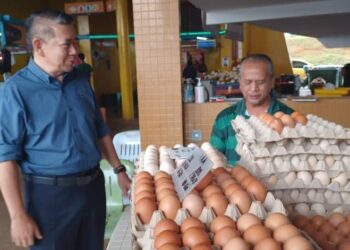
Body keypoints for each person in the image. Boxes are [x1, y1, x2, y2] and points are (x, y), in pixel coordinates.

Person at [0, 10, 131, 250]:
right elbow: (5, 157)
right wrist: (17, 215)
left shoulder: (80, 77)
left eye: (76, 42)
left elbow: (99, 128)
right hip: (49, 196)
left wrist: (119, 170)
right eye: (67, 44)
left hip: (93, 189)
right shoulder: (15, 91)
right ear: (39, 46)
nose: (75, 52)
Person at [210, 54, 294, 166]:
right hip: (235, 182)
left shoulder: (288, 118)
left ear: (272, 82)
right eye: (248, 82)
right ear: (240, 82)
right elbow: (214, 161)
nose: (254, 88)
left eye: (260, 82)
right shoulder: (225, 119)